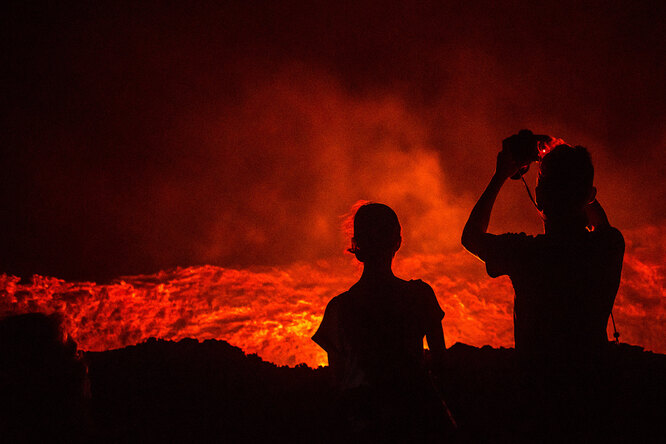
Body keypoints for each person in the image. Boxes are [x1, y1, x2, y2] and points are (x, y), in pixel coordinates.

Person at [461, 134, 624, 440]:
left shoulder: (527, 253)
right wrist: (572, 172)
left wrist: (500, 176)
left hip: (537, 397)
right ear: (590, 194)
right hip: (594, 395)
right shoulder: (609, 247)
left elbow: (471, 236)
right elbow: (601, 224)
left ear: (539, 197)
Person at [312, 203, 453, 441]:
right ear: (397, 242)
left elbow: (338, 382)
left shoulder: (339, 308)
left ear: (356, 246)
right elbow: (443, 365)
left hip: (364, 423)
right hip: (416, 417)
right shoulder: (420, 295)